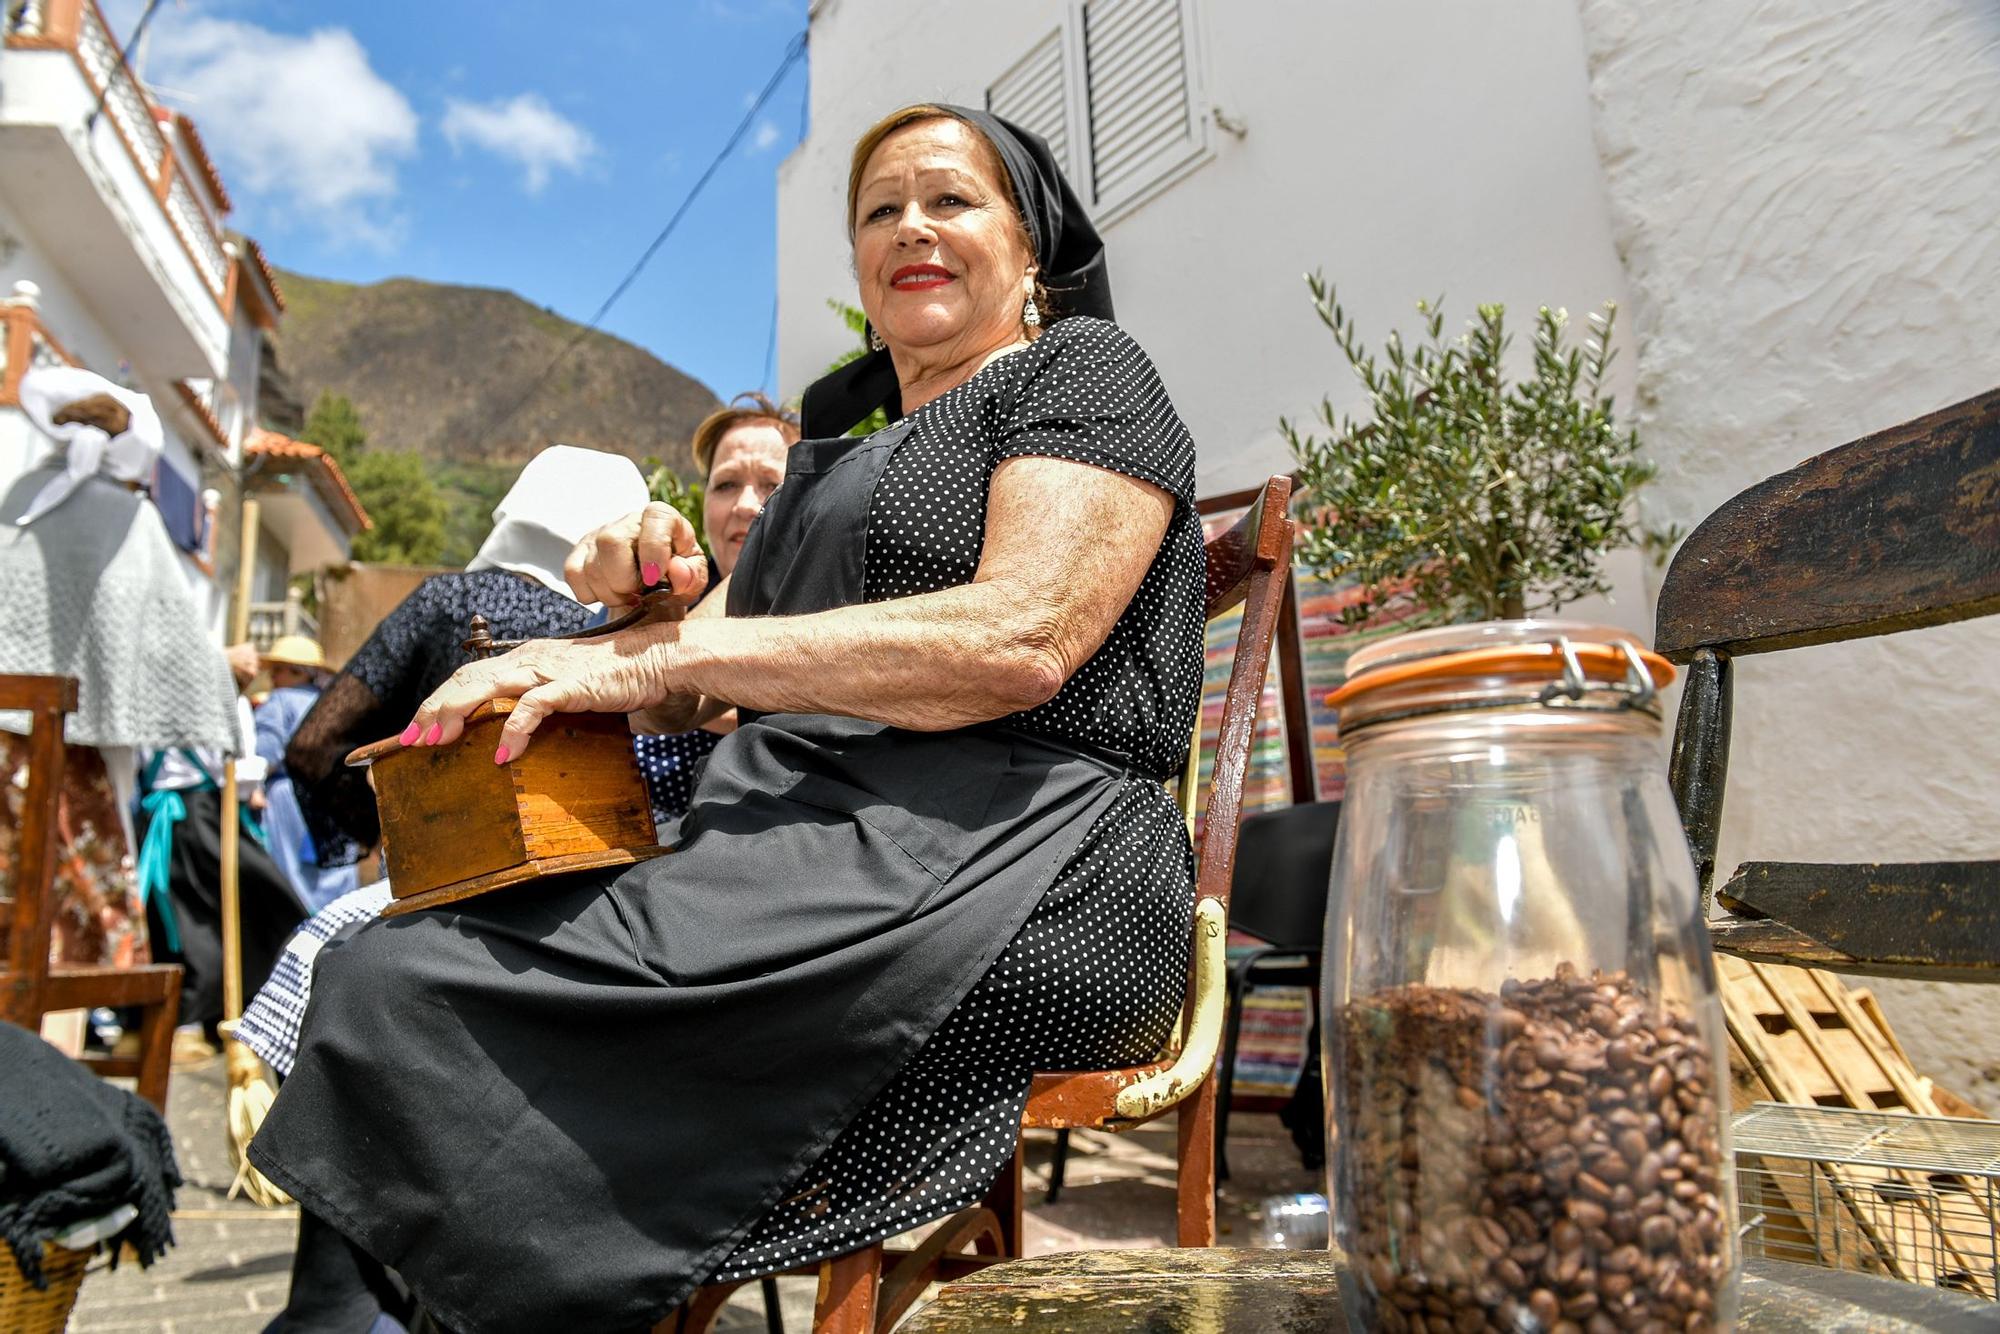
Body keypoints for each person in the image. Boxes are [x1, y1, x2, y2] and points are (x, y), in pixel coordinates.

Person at [252, 103, 1203, 1334]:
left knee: (443, 995)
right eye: (878, 210)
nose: (909, 225)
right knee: (389, 965)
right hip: (797, 843)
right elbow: (708, 678)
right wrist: (632, 604)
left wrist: (652, 664)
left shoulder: (1081, 373)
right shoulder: (838, 451)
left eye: (949, 200)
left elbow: (1019, 639)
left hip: (1019, 854)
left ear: (1030, 252)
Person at [0, 368, 240, 1016]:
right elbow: (177, 651)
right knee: (71, 934)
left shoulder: (18, 497)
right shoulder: (129, 519)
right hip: (72, 767)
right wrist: (227, 703)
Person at [252, 635, 358, 913]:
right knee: (335, 874)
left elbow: (268, 752)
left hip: (291, 798)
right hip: (335, 797)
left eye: (278, 670)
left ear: (297, 672)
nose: (272, 677)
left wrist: (253, 784)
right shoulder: (335, 704)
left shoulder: (279, 702)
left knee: (291, 878)